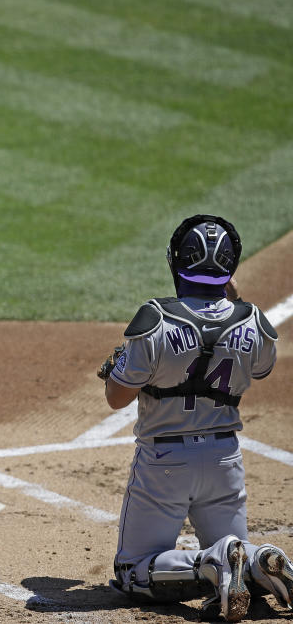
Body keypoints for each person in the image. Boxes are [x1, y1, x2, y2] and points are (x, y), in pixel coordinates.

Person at [101, 215, 292, 621]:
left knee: (133, 572)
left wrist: (115, 364)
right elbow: (261, 367)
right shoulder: (253, 322)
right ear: (230, 265)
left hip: (165, 466)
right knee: (241, 554)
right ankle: (261, 561)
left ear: (176, 262)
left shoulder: (155, 319)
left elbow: (116, 399)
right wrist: (229, 296)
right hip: (225, 461)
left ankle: (213, 560)